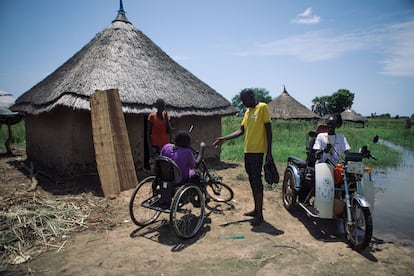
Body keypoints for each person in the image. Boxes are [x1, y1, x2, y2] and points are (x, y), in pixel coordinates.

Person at [213, 88, 273, 226]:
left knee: (257, 181)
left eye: (245, 100)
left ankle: (260, 215)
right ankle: (256, 210)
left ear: (251, 96)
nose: (243, 103)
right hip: (248, 151)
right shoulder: (247, 112)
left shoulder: (262, 107)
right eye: (242, 100)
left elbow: (269, 130)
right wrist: (224, 138)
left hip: (258, 152)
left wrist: (269, 152)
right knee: (252, 180)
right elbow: (241, 130)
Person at [147, 99, 172, 166]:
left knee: (164, 165)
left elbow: (169, 131)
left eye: (162, 106)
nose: (161, 108)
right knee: (155, 165)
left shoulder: (166, 117)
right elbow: (148, 133)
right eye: (159, 106)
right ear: (157, 107)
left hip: (164, 146)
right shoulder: (152, 117)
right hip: (155, 145)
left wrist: (167, 120)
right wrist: (150, 148)